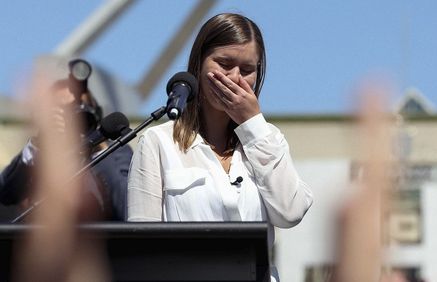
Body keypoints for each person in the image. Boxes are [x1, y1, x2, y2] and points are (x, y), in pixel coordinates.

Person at [127, 13, 313, 281]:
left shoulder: (267, 138)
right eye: (224, 64)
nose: (235, 78)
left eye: (247, 70)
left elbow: (291, 212)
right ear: (199, 65)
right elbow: (141, 248)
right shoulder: (158, 143)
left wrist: (252, 125)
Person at [0, 72, 132, 221]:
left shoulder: (115, 153)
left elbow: (128, 208)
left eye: (80, 113)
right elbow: (5, 193)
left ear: (96, 115)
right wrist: (39, 145)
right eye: (63, 113)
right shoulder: (39, 158)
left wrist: (98, 146)